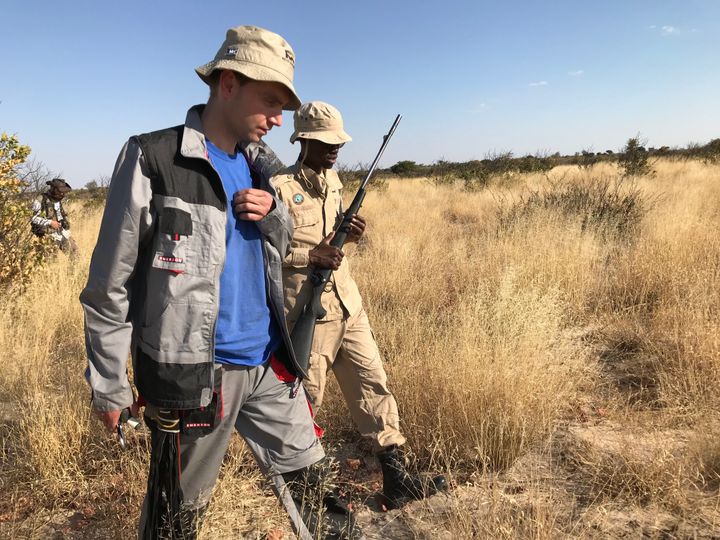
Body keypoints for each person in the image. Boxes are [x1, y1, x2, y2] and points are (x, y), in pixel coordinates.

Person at [80, 28, 358, 540]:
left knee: (319, 499)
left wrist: (274, 213)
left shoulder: (263, 168)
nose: (279, 119)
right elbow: (108, 286)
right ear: (228, 83)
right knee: (175, 520)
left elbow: (281, 243)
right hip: (196, 381)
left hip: (271, 368)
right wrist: (110, 385)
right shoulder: (153, 159)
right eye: (271, 101)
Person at [273, 102, 448, 510]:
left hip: (348, 306)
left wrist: (348, 237)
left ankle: (397, 481)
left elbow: (332, 243)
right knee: (304, 405)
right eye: (327, 143)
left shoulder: (334, 182)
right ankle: (313, 498)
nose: (336, 150)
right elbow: (261, 253)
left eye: (339, 142)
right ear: (304, 140)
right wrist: (307, 258)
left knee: (374, 388)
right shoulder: (277, 187)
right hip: (306, 315)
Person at [30, 178, 77, 254]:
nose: (63, 194)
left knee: (75, 254)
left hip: (61, 233)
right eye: (60, 191)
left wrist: (65, 225)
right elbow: (33, 218)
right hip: (46, 236)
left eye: (63, 192)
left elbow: (60, 215)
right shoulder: (40, 200)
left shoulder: (58, 201)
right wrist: (50, 222)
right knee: (51, 261)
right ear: (54, 189)